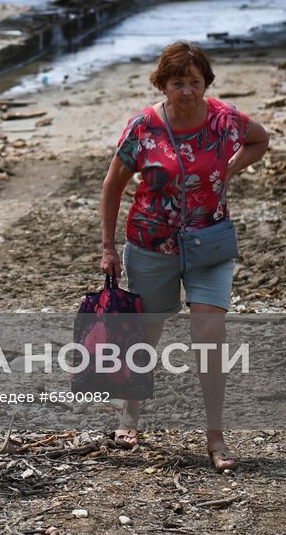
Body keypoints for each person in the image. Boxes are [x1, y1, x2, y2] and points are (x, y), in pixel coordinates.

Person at [98, 41, 269, 472]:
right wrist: (106, 247)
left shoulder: (225, 120)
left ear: (205, 84)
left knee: (209, 333)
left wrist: (229, 169)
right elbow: (112, 187)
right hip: (151, 246)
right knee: (148, 335)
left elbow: (260, 140)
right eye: (178, 83)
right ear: (162, 84)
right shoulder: (143, 128)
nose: (187, 91)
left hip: (210, 241)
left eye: (195, 82)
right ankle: (130, 413)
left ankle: (215, 435)